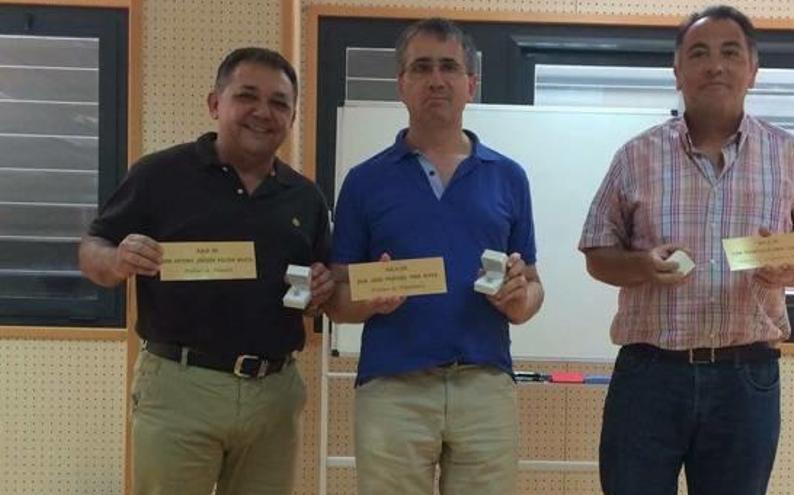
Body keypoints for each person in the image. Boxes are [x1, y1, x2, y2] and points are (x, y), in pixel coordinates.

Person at [579, 6, 794, 495]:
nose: (715, 65)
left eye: (730, 53)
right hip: (650, 374)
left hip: (746, 376)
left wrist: (788, 269)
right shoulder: (636, 156)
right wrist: (641, 266)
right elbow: (597, 254)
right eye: (699, 53)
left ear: (753, 70)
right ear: (678, 71)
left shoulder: (791, 155)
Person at [78, 47, 333, 495]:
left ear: (292, 117)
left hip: (273, 395)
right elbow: (92, 247)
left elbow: (319, 285)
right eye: (247, 96)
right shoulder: (160, 174)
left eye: (279, 103)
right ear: (215, 103)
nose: (263, 112)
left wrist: (321, 289)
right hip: (180, 387)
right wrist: (116, 259)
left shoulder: (305, 198)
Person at [326, 18, 544, 495]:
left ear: (471, 84)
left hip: (485, 384)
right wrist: (371, 300)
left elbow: (532, 284)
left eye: (449, 67)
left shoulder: (509, 177)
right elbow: (337, 298)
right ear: (402, 84)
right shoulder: (364, 181)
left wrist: (518, 299)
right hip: (392, 388)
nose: (436, 79)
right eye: (421, 68)